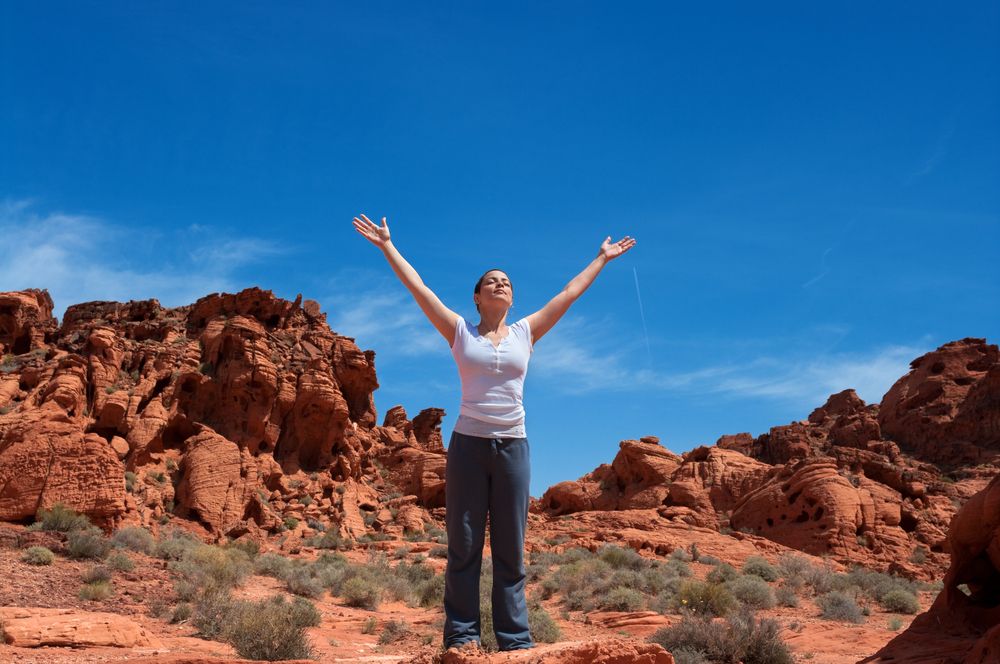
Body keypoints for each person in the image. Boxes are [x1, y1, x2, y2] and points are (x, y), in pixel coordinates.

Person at [352, 213, 636, 650]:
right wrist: (388, 246)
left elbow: (568, 294)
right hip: (467, 446)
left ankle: (515, 642)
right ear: (477, 297)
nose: (502, 284)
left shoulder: (527, 332)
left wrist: (601, 258)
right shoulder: (460, 331)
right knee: (463, 548)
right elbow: (419, 290)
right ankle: (461, 640)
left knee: (511, 550)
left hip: (513, 448)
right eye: (492, 281)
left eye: (507, 281)